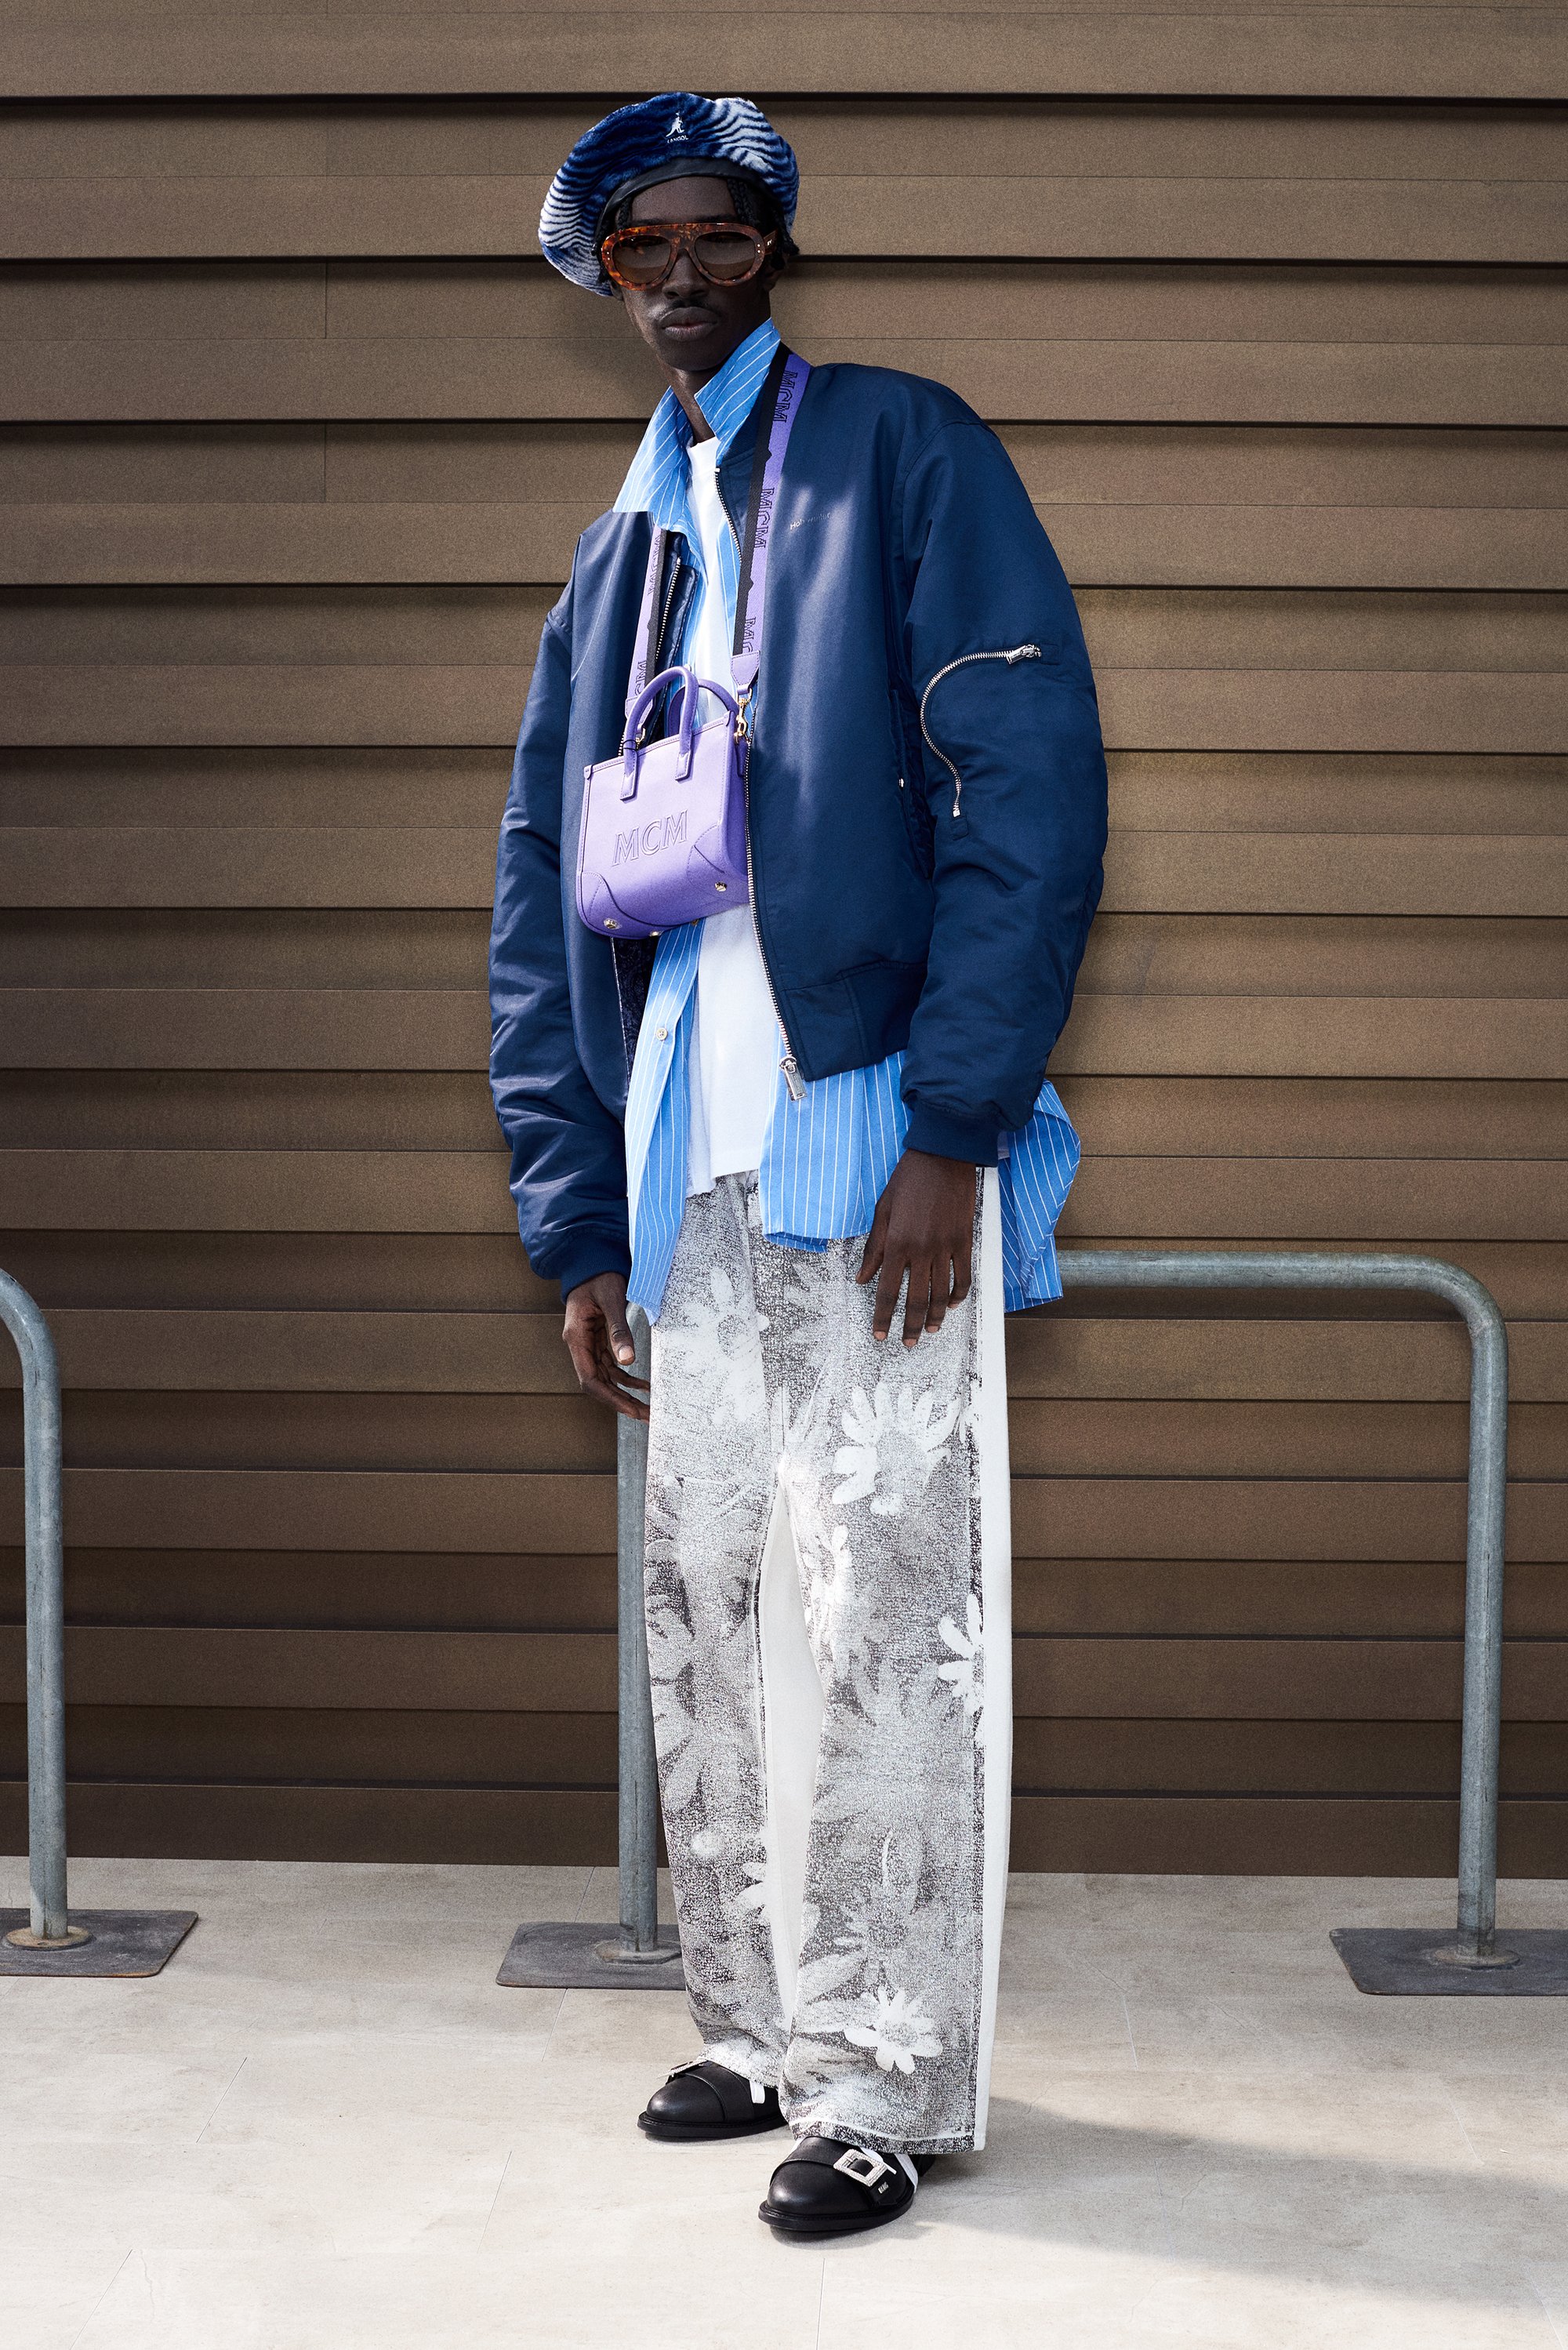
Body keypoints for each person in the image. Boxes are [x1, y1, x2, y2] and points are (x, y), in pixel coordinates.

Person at [490, 91, 1106, 2240]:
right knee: (716, 1610)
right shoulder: (623, 541)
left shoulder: (899, 450)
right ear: (602, 274)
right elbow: (540, 893)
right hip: (679, 1160)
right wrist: (576, 1213)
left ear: (773, 249)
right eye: (638, 236)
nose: (680, 265)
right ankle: (757, 2022)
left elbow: (1028, 795)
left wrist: (953, 1122)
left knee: (879, 1625)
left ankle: (886, 2082)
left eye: (720, 229)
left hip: (864, 1141)